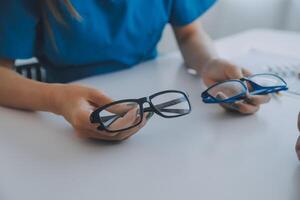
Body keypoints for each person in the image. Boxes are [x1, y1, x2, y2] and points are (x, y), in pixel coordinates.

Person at [0, 0, 271, 141]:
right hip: (64, 125)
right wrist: (56, 100)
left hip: (160, 117)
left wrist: (209, 62)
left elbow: (189, 34)